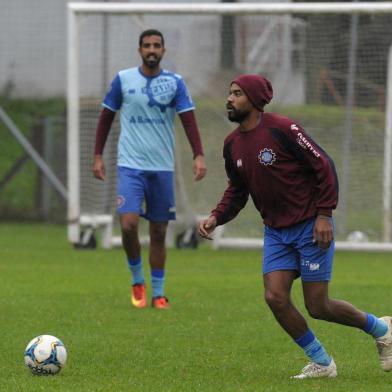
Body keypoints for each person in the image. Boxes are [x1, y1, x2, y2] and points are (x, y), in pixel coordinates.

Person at [198, 74, 392, 378]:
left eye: (237, 93)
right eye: (229, 93)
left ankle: (382, 329)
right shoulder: (232, 144)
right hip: (276, 231)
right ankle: (323, 363)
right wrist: (216, 216)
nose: (229, 99)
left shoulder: (282, 128)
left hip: (310, 225)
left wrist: (324, 214)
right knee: (274, 296)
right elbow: (237, 191)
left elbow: (323, 166)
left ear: (253, 99)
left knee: (318, 305)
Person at [93, 29, 207, 310]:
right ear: (140, 50)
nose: (152, 50)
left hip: (162, 168)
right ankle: (136, 280)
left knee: (158, 232)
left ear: (164, 51)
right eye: (147, 45)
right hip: (130, 165)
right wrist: (97, 155)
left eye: (157, 45)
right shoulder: (123, 80)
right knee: (129, 225)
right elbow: (106, 117)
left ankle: (158, 293)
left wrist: (199, 154)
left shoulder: (174, 83)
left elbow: (188, 119)